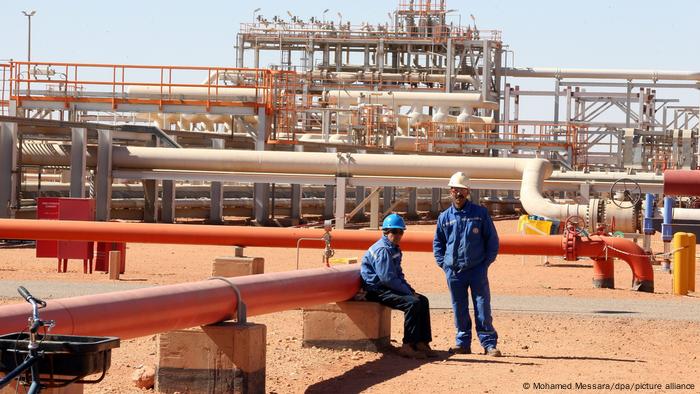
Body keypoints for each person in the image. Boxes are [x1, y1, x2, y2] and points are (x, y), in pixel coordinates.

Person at [433, 171, 501, 356]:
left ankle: (488, 344)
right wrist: (444, 264)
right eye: (455, 189)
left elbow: (492, 242)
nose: (458, 193)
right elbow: (438, 243)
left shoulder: (480, 214)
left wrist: (484, 264)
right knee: (459, 307)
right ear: (450, 191)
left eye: (462, 190)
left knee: (482, 307)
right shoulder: (444, 217)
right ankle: (463, 343)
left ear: (468, 191)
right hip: (454, 272)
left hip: (476, 269)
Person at [360, 213, 436, 359]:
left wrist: (409, 289)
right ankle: (407, 345)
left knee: (423, 300)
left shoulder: (393, 248)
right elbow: (387, 278)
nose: (398, 235)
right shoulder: (383, 250)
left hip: (386, 287)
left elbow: (398, 274)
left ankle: (421, 342)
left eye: (401, 231)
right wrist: (408, 293)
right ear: (386, 231)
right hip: (376, 290)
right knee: (412, 303)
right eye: (394, 231)